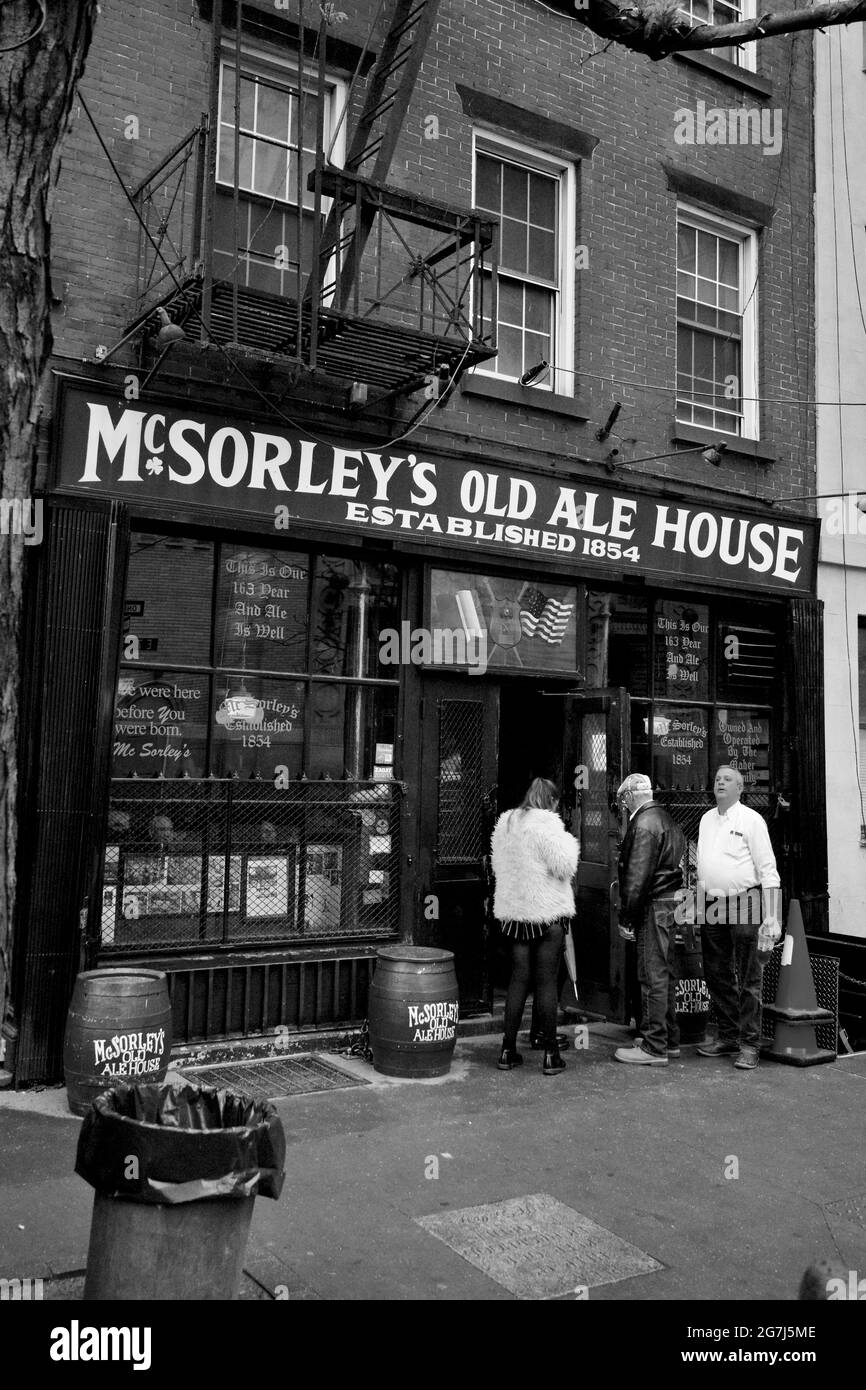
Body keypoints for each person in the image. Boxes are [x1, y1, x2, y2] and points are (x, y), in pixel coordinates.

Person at [695, 765, 781, 1070]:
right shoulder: (706, 819)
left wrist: (772, 917)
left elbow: (769, 871)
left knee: (748, 977)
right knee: (717, 974)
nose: (720, 782)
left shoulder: (752, 820)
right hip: (712, 904)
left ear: (740, 788)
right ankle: (729, 1036)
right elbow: (702, 865)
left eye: (727, 779)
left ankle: (749, 1044)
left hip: (746, 902)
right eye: (717, 778)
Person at [490, 778, 578, 1075]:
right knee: (546, 983)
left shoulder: (506, 823)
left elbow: (496, 865)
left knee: (518, 980)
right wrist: (569, 841)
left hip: (515, 914)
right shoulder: (548, 824)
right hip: (547, 913)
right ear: (551, 801)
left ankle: (507, 1050)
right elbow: (565, 865)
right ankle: (551, 1054)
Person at [613, 773, 686, 1067]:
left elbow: (636, 877)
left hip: (653, 903)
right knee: (663, 971)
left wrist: (627, 917)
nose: (623, 806)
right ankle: (668, 1039)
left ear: (630, 796)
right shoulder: (665, 818)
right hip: (669, 900)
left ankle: (655, 1046)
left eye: (623, 800)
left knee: (651, 972)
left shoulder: (642, 823)